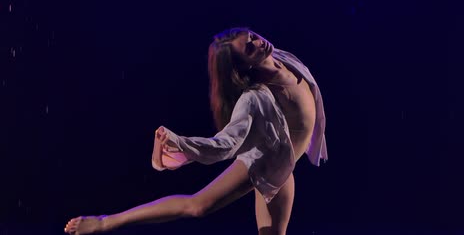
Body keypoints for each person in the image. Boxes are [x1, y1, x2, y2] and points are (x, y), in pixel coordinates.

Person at [64, 27, 327, 235]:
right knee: (198, 205)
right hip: (266, 162)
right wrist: (180, 142)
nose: (259, 43)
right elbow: (225, 143)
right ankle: (105, 222)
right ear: (244, 66)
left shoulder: (282, 58)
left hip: (282, 164)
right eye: (250, 48)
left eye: (253, 37)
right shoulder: (255, 98)